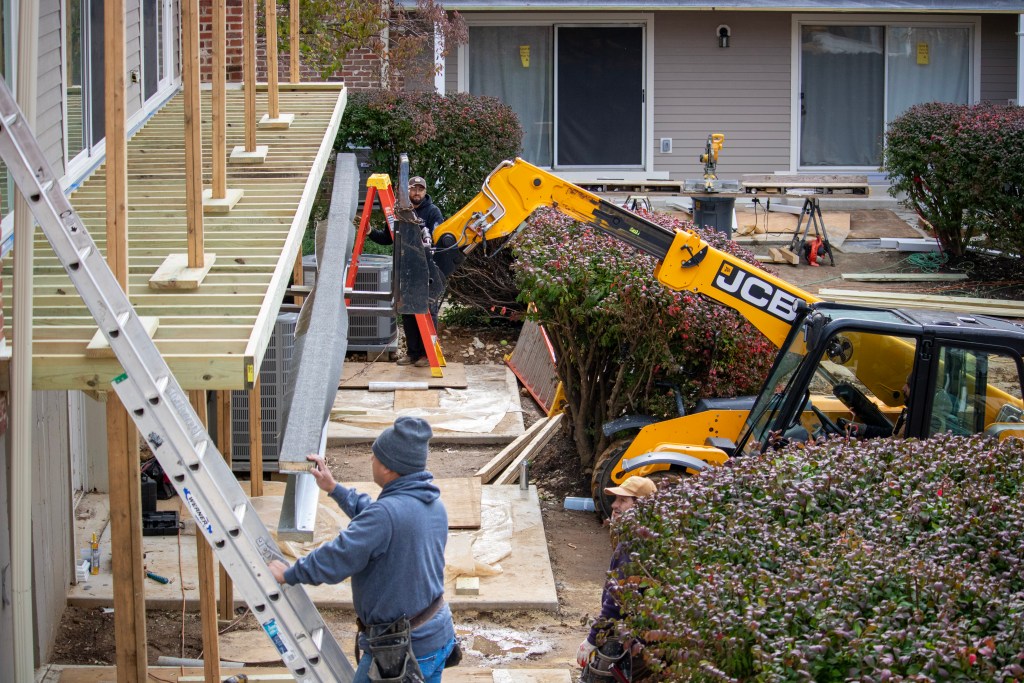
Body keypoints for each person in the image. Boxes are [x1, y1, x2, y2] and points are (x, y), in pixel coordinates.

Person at [267, 416, 457, 682]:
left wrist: (290, 574)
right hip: (436, 637)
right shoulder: (433, 504)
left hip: (400, 652)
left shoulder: (385, 516)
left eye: (375, 456)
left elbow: (339, 556)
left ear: (390, 469)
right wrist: (333, 488)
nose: (371, 460)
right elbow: (378, 516)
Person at [576, 476, 658, 679]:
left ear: (642, 506)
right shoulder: (648, 537)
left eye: (623, 500)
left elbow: (617, 602)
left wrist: (592, 639)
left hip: (637, 641)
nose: (614, 505)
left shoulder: (635, 547)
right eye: (616, 500)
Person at [368, 176, 445, 368]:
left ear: (425, 191)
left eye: (420, 189)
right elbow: (388, 238)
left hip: (426, 270)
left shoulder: (433, 212)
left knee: (428, 311)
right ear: (407, 191)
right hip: (406, 269)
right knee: (408, 311)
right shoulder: (399, 213)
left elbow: (438, 238)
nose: (417, 192)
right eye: (413, 189)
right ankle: (412, 353)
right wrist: (370, 231)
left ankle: (428, 355)